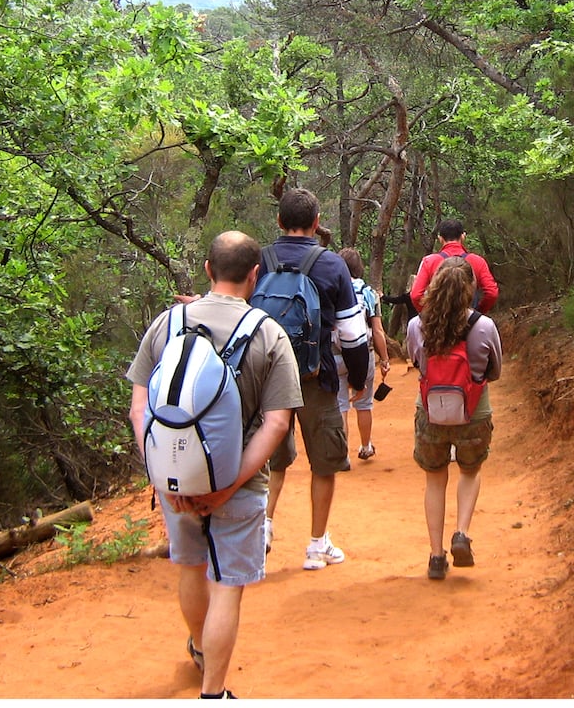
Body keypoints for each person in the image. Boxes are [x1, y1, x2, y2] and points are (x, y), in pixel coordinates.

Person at [127, 231, 302, 699]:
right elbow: (278, 424)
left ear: (207, 270)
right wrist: (228, 486)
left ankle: (200, 648)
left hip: (175, 477)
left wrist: (166, 477)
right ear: (254, 276)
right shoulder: (269, 333)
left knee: (190, 569)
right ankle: (214, 691)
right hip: (240, 485)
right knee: (227, 586)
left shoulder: (167, 324)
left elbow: (139, 409)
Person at [259, 189, 370, 570]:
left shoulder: (260, 260)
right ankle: (316, 545)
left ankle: (263, 527)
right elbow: (353, 335)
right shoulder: (331, 265)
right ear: (317, 222)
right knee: (324, 462)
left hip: (265, 379)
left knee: (271, 458)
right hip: (315, 377)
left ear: (278, 221)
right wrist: (357, 379)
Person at [406, 256, 502, 580]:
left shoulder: (417, 325)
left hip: (431, 413)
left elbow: (417, 361)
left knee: (434, 479)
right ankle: (461, 533)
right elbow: (496, 370)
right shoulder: (484, 326)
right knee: (470, 471)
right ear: (470, 290)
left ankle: (435, 556)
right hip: (474, 413)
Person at [335, 247, 390, 460]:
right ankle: (366, 446)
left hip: (336, 354)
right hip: (362, 354)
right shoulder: (368, 293)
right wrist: (384, 359)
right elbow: (377, 330)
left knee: (340, 405)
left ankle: (342, 456)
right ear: (359, 268)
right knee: (364, 404)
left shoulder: (332, 289)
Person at [409, 218, 499, 314]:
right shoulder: (478, 261)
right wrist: (478, 313)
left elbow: (416, 295)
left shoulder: (429, 261)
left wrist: (429, 314)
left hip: (438, 322)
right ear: (463, 236)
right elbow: (492, 293)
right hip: (468, 322)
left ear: (440, 238)